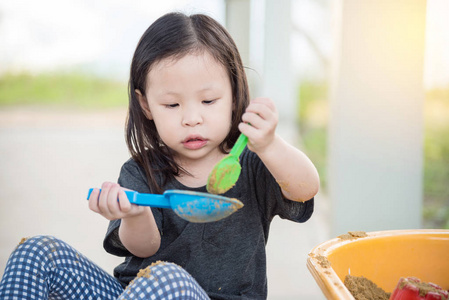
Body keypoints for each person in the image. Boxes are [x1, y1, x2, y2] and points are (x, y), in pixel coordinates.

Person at [0, 12, 319, 300]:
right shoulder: (141, 171)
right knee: (35, 253)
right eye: (172, 104)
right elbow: (144, 247)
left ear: (234, 94)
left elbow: (305, 188)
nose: (191, 118)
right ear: (146, 105)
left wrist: (269, 145)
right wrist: (135, 213)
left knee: (166, 278)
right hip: (134, 294)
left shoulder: (252, 163)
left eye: (208, 101)